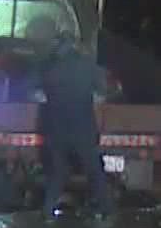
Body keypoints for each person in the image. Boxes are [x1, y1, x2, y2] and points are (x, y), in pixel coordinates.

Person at [28, 18, 111, 215]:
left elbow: (34, 92)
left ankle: (47, 211)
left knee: (58, 172)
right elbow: (103, 93)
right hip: (83, 128)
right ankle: (107, 211)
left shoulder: (48, 67)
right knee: (94, 171)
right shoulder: (88, 66)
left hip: (56, 129)